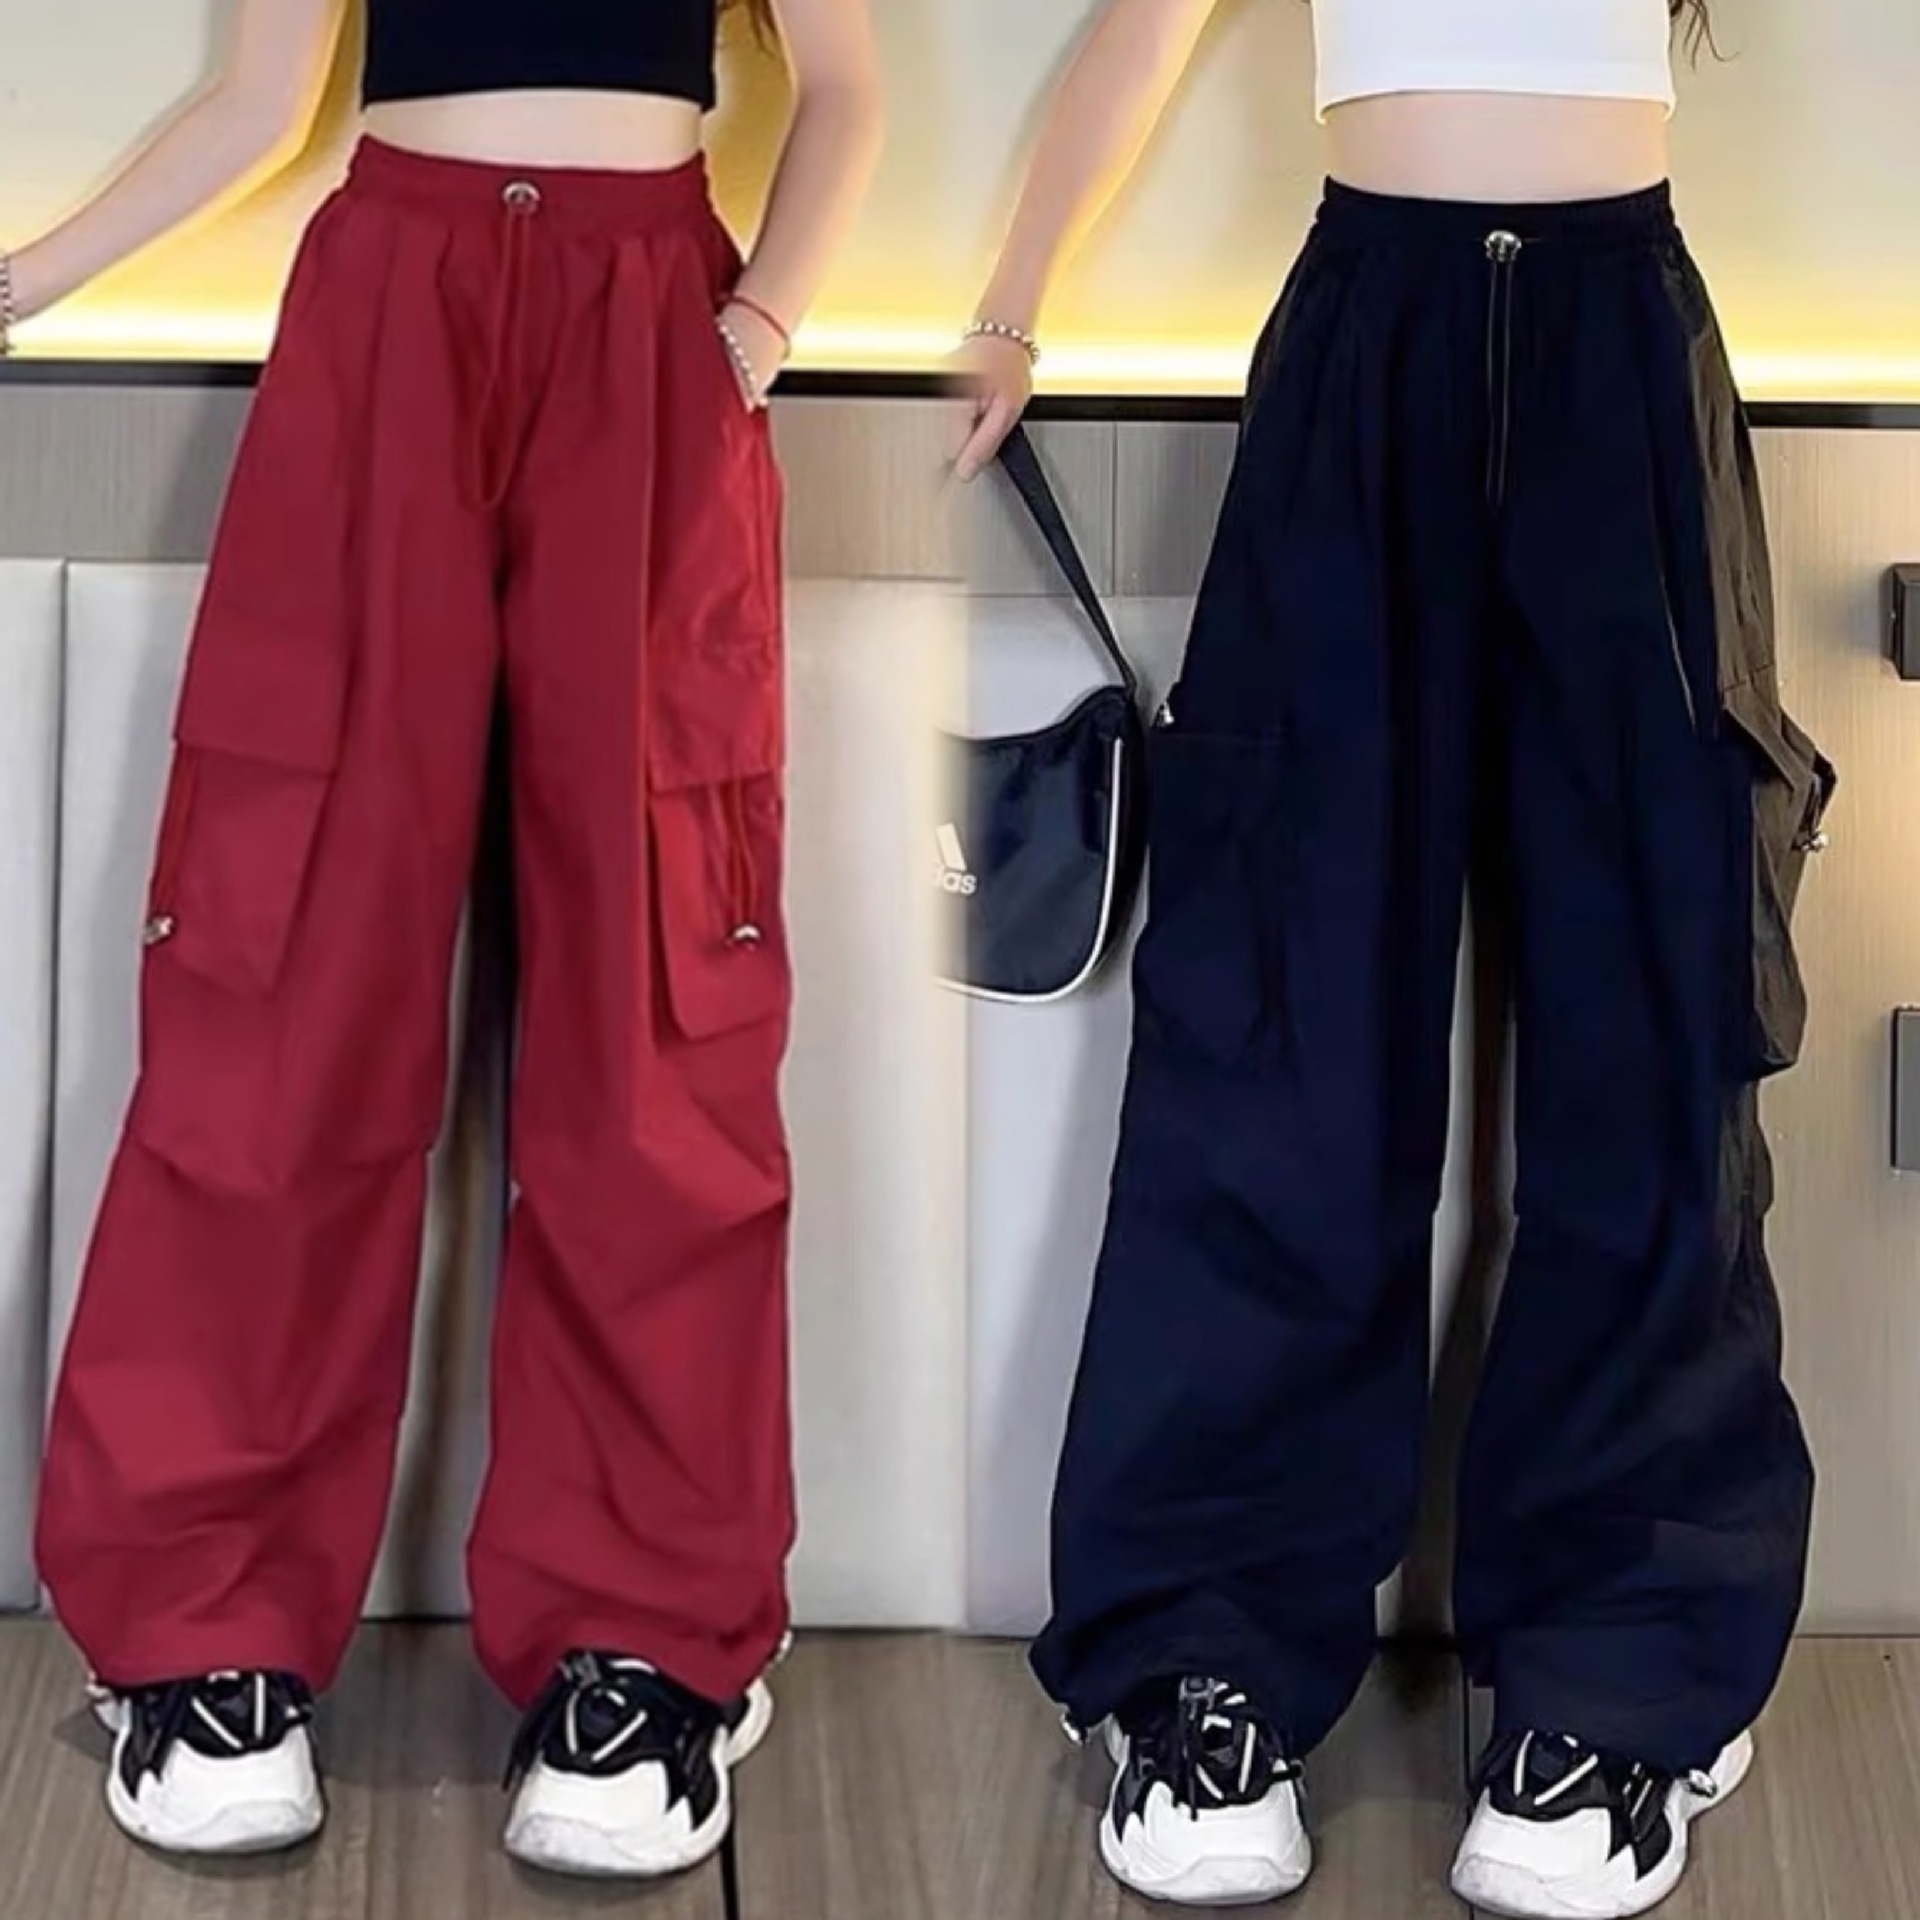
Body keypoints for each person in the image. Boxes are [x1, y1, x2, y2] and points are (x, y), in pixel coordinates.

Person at [957, 2, 1832, 1915]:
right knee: (1279, 1016)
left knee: (1655, 1024)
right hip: (1368, 332)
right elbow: (1141, 28)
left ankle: (1619, 1676)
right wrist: (1010, 311)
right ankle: (1203, 1656)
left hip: (1626, 345)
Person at [6, 0, 881, 1876]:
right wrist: (20, 282)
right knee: (286, 975)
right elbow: (258, 99)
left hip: (652, 321)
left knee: (656, 1010)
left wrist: (749, 337)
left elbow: (850, 89)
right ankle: (209, 1624)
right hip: (388, 309)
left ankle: (642, 1639)